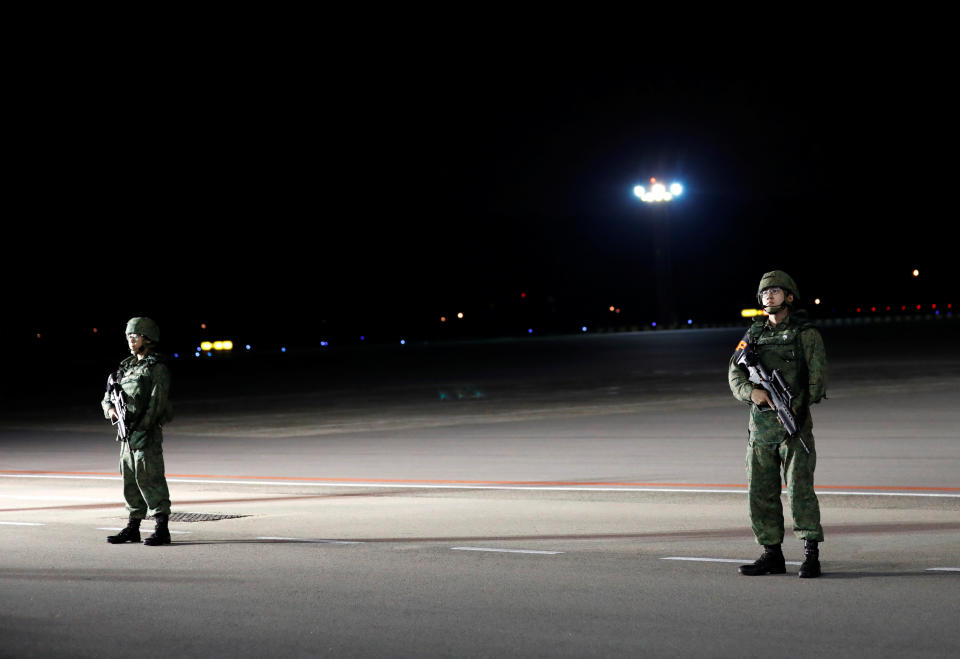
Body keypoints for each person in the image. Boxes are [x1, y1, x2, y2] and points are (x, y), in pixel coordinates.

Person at [728, 271, 827, 578]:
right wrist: (751, 392)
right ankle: (772, 554)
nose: (768, 296)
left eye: (775, 291)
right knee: (761, 492)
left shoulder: (805, 333)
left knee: (800, 491)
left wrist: (798, 403)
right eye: (764, 292)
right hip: (760, 429)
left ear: (789, 296)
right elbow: (734, 374)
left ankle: (811, 553)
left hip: (792, 426)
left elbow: (817, 376)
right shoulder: (753, 335)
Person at [102, 317, 174, 546]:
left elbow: (156, 403)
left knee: (150, 479)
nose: (131, 340)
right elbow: (106, 398)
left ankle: (162, 528)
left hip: (146, 434)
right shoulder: (125, 367)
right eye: (128, 336)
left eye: (135, 336)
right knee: (130, 481)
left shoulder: (157, 368)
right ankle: (133, 527)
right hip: (126, 434)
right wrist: (111, 410)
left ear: (148, 338)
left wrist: (142, 430)